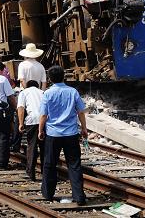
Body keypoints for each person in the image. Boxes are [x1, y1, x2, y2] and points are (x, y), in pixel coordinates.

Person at [39, 65, 87, 205]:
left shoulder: (47, 93)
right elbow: (81, 112)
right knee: (74, 165)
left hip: (53, 134)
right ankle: (79, 197)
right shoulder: (73, 92)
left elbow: (43, 115)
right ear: (63, 76)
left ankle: (48, 194)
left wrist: (41, 130)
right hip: (71, 133)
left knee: (49, 163)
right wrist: (84, 128)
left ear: (50, 78)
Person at [17, 80, 44, 181]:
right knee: (44, 148)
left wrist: (20, 123)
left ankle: (30, 173)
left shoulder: (24, 92)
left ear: (27, 86)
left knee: (32, 147)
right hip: (44, 120)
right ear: (37, 86)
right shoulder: (42, 92)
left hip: (32, 121)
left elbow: (21, 108)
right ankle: (45, 173)